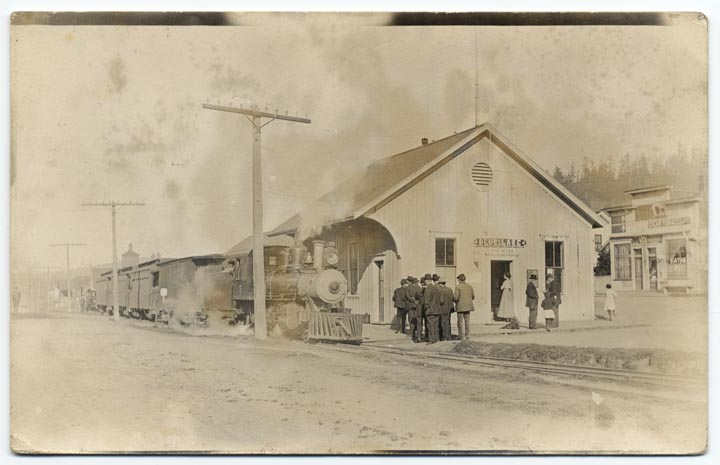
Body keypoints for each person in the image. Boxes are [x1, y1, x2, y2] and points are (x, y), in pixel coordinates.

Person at [454, 274, 475, 340]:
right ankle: (467, 335)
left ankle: (461, 336)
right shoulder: (470, 286)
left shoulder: (458, 287)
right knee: (467, 322)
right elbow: (473, 296)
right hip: (468, 306)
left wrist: (452, 299)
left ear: (460, 280)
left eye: (458, 279)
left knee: (460, 322)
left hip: (460, 306)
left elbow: (456, 297)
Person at [404, 276, 423, 342]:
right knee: (418, 320)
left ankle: (412, 334)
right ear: (416, 282)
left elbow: (407, 296)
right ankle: (419, 335)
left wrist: (412, 300)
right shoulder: (420, 288)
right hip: (418, 306)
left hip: (410, 306)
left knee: (411, 320)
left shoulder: (407, 288)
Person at [424, 274, 441, 344]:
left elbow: (426, 301)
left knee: (430, 325)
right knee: (435, 325)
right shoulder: (437, 288)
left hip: (430, 310)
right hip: (437, 309)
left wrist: (425, 308)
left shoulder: (428, 289)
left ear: (427, 280)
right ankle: (436, 338)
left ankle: (431, 340)